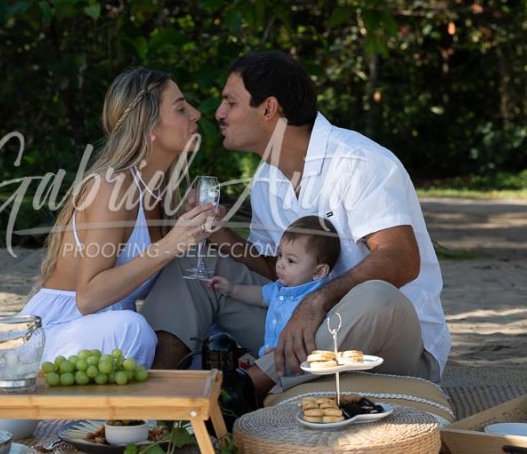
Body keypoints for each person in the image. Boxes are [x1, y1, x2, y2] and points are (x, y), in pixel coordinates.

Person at [142, 51, 450, 399]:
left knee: (377, 296)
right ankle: (157, 399)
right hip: (302, 334)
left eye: (231, 102)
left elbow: (402, 259)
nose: (219, 113)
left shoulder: (358, 162)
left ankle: (242, 394)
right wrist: (217, 234)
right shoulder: (266, 179)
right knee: (191, 264)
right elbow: (277, 272)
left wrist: (315, 303)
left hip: (385, 342)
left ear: (269, 109)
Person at [20, 67, 215, 366]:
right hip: (55, 337)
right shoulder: (111, 187)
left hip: (105, 341)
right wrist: (171, 245)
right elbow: (88, 299)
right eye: (180, 108)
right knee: (134, 329)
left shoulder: (163, 193)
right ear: (149, 127)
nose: (196, 114)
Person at [209, 215, 341, 357]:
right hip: (268, 354)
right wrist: (233, 289)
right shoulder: (279, 287)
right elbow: (260, 295)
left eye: (290, 260)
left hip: (294, 359)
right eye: (280, 255)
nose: (280, 264)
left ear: (319, 271)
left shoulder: (317, 299)